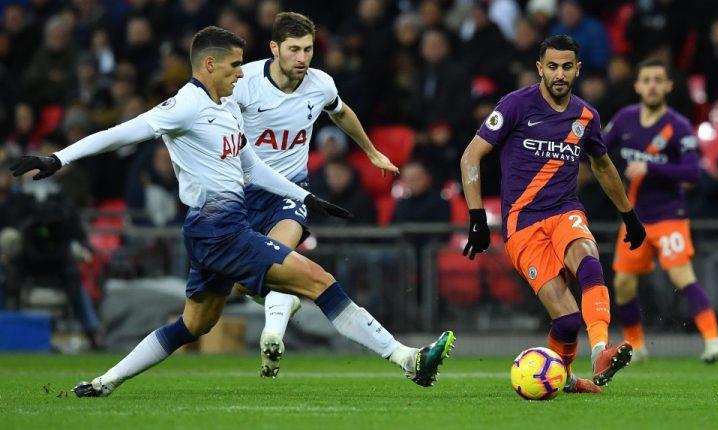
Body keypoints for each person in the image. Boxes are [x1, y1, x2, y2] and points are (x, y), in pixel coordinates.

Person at [10, 26, 454, 397]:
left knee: (195, 323)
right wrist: (58, 158)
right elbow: (120, 133)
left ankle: (103, 382)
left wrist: (305, 198)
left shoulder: (226, 107)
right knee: (318, 281)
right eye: (235, 65)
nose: (242, 72)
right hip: (218, 229)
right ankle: (408, 358)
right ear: (209, 65)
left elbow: (250, 166)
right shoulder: (185, 105)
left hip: (218, 227)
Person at [460, 35, 647, 394]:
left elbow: (604, 166)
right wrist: (477, 216)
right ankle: (568, 378)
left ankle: (600, 353)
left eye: (566, 67)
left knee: (588, 259)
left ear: (577, 69)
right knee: (566, 319)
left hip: (565, 211)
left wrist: (629, 215)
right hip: (523, 224)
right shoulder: (515, 106)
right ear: (539, 69)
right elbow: (471, 156)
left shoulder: (586, 116)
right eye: (552, 66)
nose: (559, 74)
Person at [230, 12, 399, 378]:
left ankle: (272, 335)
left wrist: (370, 151)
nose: (302, 58)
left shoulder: (320, 84)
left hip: (291, 192)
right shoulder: (244, 82)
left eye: (308, 49)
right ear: (275, 48)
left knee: (278, 257)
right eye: (294, 49)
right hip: (243, 193)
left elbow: (340, 112)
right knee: (245, 282)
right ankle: (285, 301)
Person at [604, 59, 718, 363]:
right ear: (637, 86)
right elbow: (597, 148)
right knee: (622, 283)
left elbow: (692, 171)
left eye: (658, 80)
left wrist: (651, 166)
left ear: (668, 86)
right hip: (635, 219)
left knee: (681, 275)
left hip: (669, 216)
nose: (651, 85)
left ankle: (714, 342)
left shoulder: (678, 125)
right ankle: (636, 346)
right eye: (646, 79)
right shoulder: (624, 120)